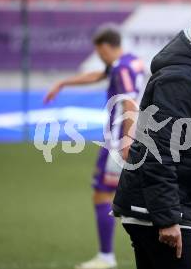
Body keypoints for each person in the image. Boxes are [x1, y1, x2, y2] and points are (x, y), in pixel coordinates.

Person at [112, 13, 191, 269]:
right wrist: (168, 217)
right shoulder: (181, 79)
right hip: (154, 213)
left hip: (161, 207)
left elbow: (188, 149)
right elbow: (158, 151)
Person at [44, 25, 145, 269]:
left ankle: (106, 257)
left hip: (119, 139)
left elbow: (129, 104)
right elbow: (99, 75)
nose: (100, 57)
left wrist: (126, 140)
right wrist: (64, 82)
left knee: (103, 193)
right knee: (140, 194)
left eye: (100, 52)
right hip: (137, 134)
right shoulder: (131, 61)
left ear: (107, 47)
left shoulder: (121, 67)